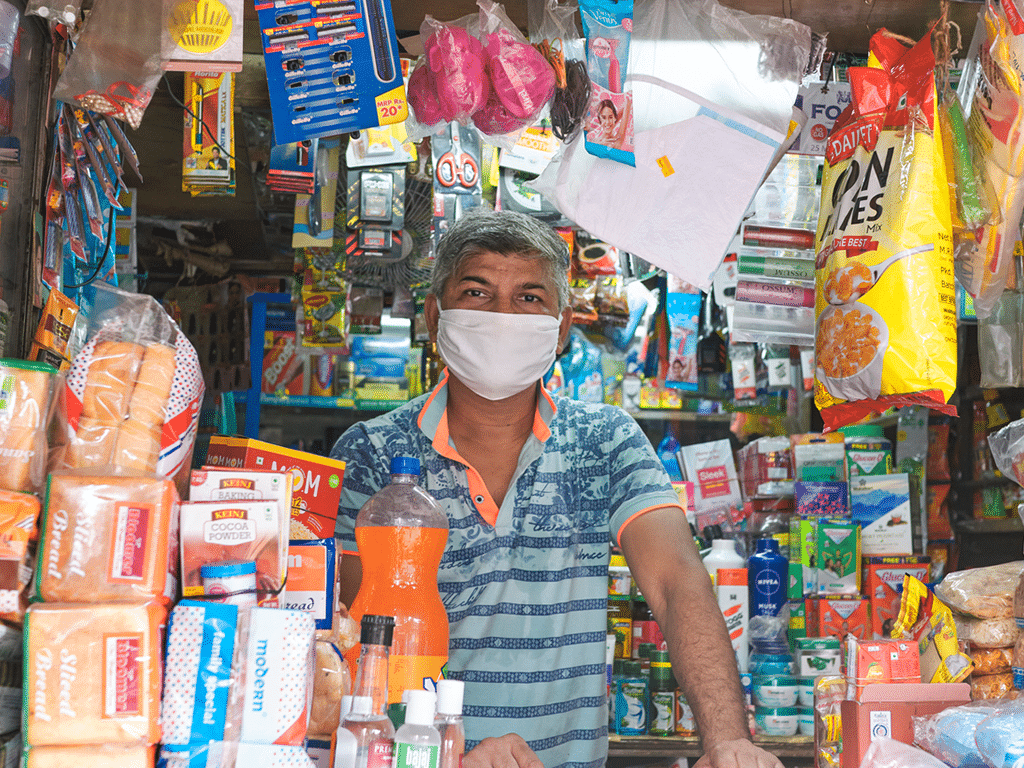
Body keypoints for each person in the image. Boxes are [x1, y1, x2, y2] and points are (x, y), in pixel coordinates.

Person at [331, 210, 783, 768]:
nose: (503, 316)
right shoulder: (369, 455)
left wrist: (727, 741)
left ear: (562, 325)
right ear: (434, 314)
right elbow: (357, 637)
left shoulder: (607, 440)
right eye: (477, 292)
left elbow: (675, 582)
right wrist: (445, 754)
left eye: (528, 298)